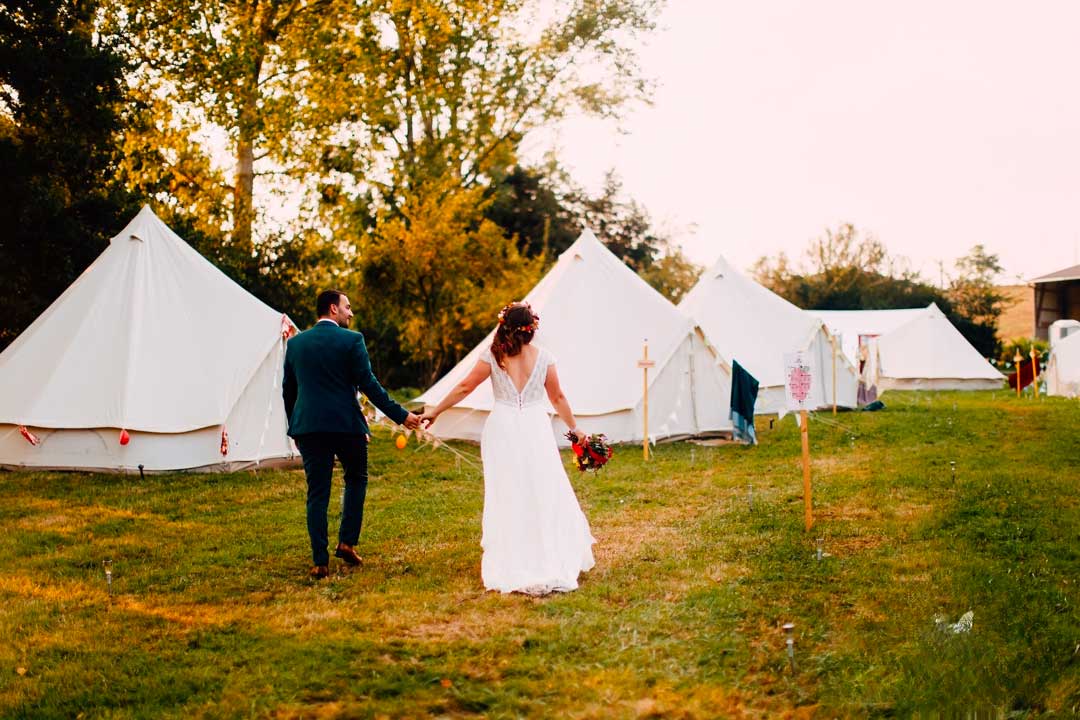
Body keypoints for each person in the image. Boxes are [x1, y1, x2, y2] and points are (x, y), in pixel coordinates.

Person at [421, 302, 595, 595]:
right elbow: (558, 397)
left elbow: (465, 387)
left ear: (504, 325)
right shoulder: (545, 358)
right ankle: (545, 549)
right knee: (542, 486)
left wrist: (436, 411)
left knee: (508, 490)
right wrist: (575, 429)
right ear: (532, 329)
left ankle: (514, 551)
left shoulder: (493, 355)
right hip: (534, 427)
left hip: (502, 427)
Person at [283, 290, 421, 579]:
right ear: (333, 309)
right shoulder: (352, 340)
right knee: (356, 478)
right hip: (347, 426)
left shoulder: (295, 344)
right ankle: (347, 542)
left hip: (308, 427)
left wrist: (294, 426)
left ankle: (320, 561)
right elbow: (369, 385)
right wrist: (402, 416)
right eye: (347, 307)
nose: (351, 313)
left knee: (317, 493)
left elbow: (289, 391)